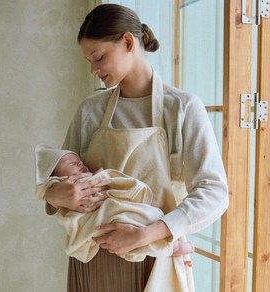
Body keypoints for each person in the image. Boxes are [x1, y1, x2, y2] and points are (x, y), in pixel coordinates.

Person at [43, 3, 229, 292]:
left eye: (99, 57)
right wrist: (56, 194)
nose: (94, 70)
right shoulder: (90, 111)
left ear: (128, 41)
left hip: (153, 263)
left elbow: (215, 192)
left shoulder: (181, 108)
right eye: (89, 61)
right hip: (91, 260)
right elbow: (59, 174)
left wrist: (146, 234)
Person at [34, 144, 195, 265]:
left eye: (80, 162)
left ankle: (173, 247)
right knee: (143, 221)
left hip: (126, 221)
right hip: (101, 233)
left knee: (145, 223)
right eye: (71, 163)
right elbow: (49, 196)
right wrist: (52, 194)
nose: (80, 164)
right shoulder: (67, 184)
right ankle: (173, 248)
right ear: (55, 178)